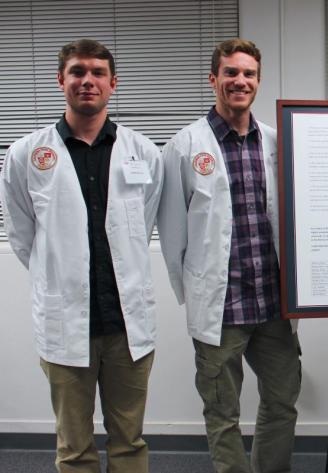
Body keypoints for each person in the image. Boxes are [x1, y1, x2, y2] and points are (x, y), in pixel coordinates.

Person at [0, 39, 162, 472]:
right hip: (66, 321)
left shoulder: (142, 152)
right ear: (61, 80)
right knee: (74, 448)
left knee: (129, 442)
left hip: (126, 325)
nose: (86, 81)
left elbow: (141, 225)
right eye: (77, 72)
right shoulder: (26, 155)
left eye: (96, 73)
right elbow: (22, 234)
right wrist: (55, 272)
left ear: (113, 83)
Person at [157, 39, 301, 473]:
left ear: (258, 80)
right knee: (222, 413)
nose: (240, 81)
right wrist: (195, 294)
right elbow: (172, 233)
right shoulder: (184, 147)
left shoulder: (276, 142)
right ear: (213, 79)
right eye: (231, 73)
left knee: (282, 403)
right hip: (221, 308)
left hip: (273, 305)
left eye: (249, 74)